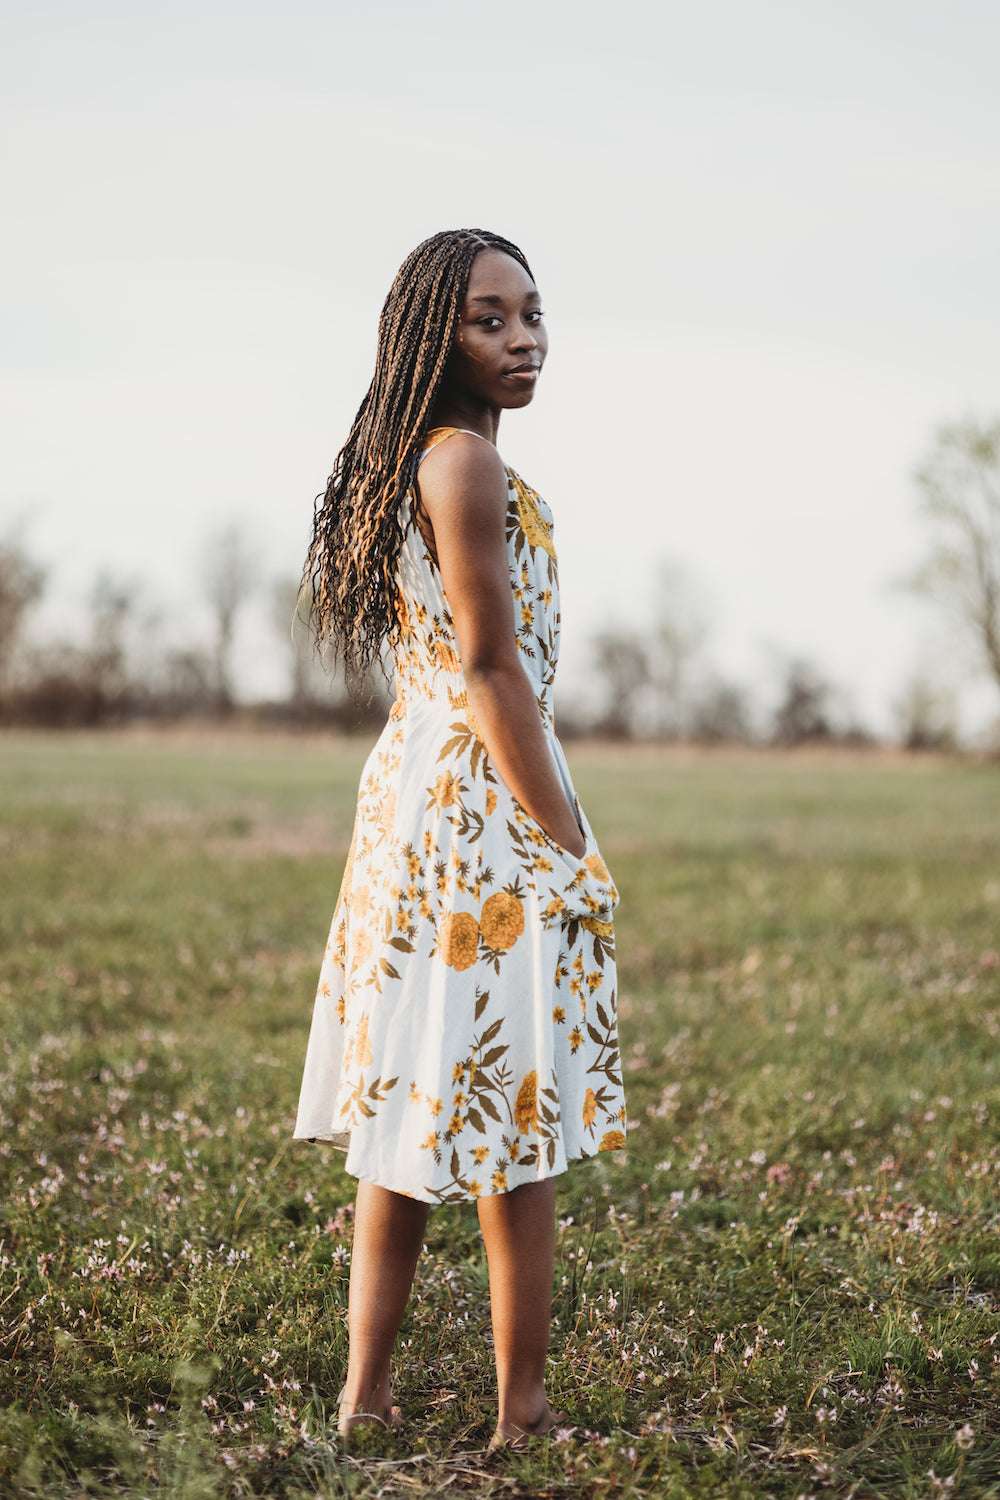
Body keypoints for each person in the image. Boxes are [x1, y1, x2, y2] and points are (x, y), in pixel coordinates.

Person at [291, 227, 627, 1452]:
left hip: (421, 799)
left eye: (532, 313)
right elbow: (492, 669)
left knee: (410, 1103)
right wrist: (569, 838)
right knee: (512, 1121)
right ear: (434, 333)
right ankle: (519, 1413)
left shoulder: (428, 461)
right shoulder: (465, 468)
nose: (522, 338)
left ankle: (366, 1398)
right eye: (489, 318)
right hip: (482, 810)